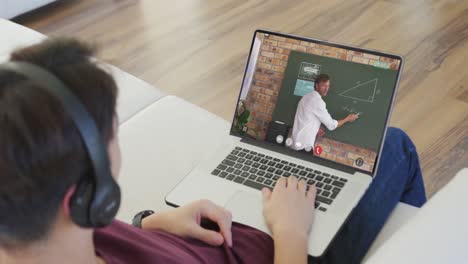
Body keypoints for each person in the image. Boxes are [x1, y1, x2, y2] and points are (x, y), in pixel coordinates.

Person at [0, 39, 426, 264]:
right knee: (397, 147)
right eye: (111, 131)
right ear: (84, 199)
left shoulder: (44, 227)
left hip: (222, 232)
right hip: (287, 246)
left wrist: (150, 225)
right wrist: (292, 233)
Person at [290, 74, 359, 151]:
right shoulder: (318, 102)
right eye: (323, 86)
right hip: (304, 146)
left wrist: (316, 128)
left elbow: (305, 117)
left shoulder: (305, 97)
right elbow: (331, 125)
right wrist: (347, 119)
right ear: (316, 85)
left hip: (294, 142)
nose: (326, 89)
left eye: (328, 86)